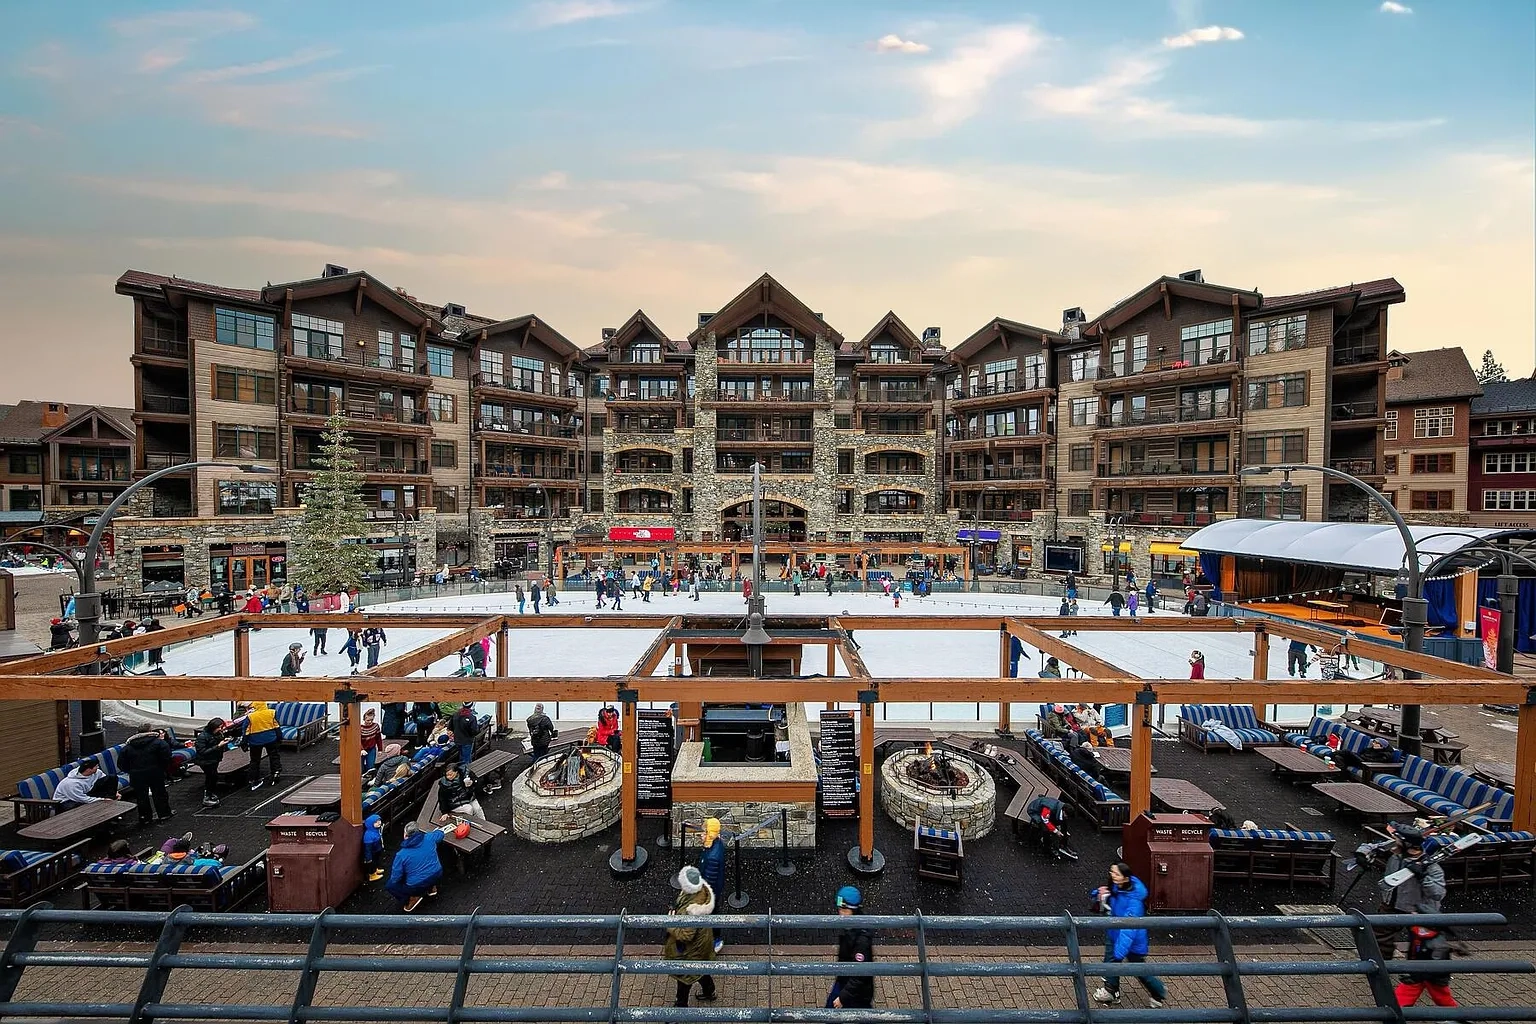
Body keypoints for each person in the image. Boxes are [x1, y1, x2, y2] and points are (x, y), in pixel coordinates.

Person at [1092, 861, 1168, 1007]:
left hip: (1131, 942)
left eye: (1115, 873)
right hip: (1114, 933)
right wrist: (1099, 894)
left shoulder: (1134, 902)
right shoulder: (1118, 887)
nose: (1112, 875)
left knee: (1138, 969)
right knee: (1110, 964)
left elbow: (1129, 929)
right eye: (1111, 872)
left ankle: (1158, 991)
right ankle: (1111, 991)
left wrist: (1119, 952)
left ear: (1125, 878)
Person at [1374, 827, 1445, 959]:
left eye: (1398, 842)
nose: (1395, 845)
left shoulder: (1431, 867)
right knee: (1380, 939)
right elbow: (1370, 846)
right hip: (1392, 905)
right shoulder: (1396, 855)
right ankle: (1380, 966)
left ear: (1408, 845)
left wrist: (1423, 876)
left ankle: (1417, 973)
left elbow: (1438, 893)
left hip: (1419, 911)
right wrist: (1364, 854)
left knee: (1420, 946)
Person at [664, 866, 718, 1010]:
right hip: (702, 945)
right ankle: (709, 991)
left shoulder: (692, 911)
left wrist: (671, 925)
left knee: (685, 979)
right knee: (700, 971)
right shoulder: (700, 892)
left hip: (691, 951)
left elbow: (687, 935)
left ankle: (680, 1008)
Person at [387, 821, 455, 912]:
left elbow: (396, 878)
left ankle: (413, 898)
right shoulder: (429, 837)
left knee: (390, 885)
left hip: (416, 885)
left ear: (406, 835)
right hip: (437, 874)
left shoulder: (401, 855)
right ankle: (432, 888)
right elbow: (440, 834)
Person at [827, 885, 875, 1009]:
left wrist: (843, 997)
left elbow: (860, 973)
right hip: (846, 980)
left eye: (844, 910)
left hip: (855, 990)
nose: (840, 913)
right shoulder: (851, 925)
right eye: (839, 909)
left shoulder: (861, 940)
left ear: (853, 910)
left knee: (832, 1012)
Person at [119, 722, 174, 827]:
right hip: (155, 772)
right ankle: (164, 814)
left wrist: (132, 771)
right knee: (160, 793)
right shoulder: (159, 743)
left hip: (136, 775)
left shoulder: (128, 747)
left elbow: (122, 764)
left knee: (141, 797)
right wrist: (161, 768)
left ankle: (145, 818)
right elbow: (167, 757)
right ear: (150, 731)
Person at [1395, 923, 1458, 1009]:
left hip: (1430, 975)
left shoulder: (1435, 943)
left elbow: (1437, 965)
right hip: (1420, 972)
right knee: (1441, 997)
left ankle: (1455, 1015)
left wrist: (1414, 974)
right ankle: (1396, 1010)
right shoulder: (1419, 933)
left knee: (1441, 997)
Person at [696, 818, 728, 950]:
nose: (701, 835)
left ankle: (716, 940)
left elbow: (709, 881)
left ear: (710, 834)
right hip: (711, 888)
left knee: (711, 912)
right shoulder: (716, 844)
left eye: (704, 832)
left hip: (709, 892)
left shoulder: (712, 857)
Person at [237, 701, 282, 789]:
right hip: (270, 738)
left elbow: (246, 731)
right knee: (274, 756)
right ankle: (275, 773)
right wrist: (279, 738)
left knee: (255, 760)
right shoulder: (272, 713)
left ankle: (253, 780)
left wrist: (244, 743)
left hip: (255, 740)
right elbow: (277, 726)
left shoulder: (250, 716)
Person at [191, 717, 231, 808]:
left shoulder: (217, 734)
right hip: (206, 761)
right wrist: (218, 746)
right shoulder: (202, 737)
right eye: (219, 727)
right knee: (211, 777)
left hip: (214, 759)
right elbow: (202, 751)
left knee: (213, 777)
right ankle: (207, 796)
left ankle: (210, 793)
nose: (220, 729)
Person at [1024, 794, 1077, 861]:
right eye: (1067, 815)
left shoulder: (1062, 808)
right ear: (1064, 812)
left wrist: (1064, 831)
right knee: (1046, 829)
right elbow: (1045, 820)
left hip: (1047, 813)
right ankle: (1047, 848)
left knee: (1064, 823)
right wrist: (1056, 831)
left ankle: (1063, 844)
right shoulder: (1049, 808)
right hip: (1035, 812)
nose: (1067, 817)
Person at [450, 703, 484, 769]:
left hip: (457, 740)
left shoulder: (455, 715)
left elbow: (450, 727)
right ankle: (465, 774)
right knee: (466, 759)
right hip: (467, 741)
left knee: (462, 757)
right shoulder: (472, 717)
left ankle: (464, 771)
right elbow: (475, 731)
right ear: (471, 706)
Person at [362, 813, 386, 882]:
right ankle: (372, 875)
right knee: (372, 864)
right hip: (373, 852)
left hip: (377, 850)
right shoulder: (368, 836)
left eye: (379, 821)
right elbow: (368, 849)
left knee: (376, 861)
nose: (379, 823)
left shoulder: (376, 830)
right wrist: (368, 858)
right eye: (376, 822)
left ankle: (375, 870)